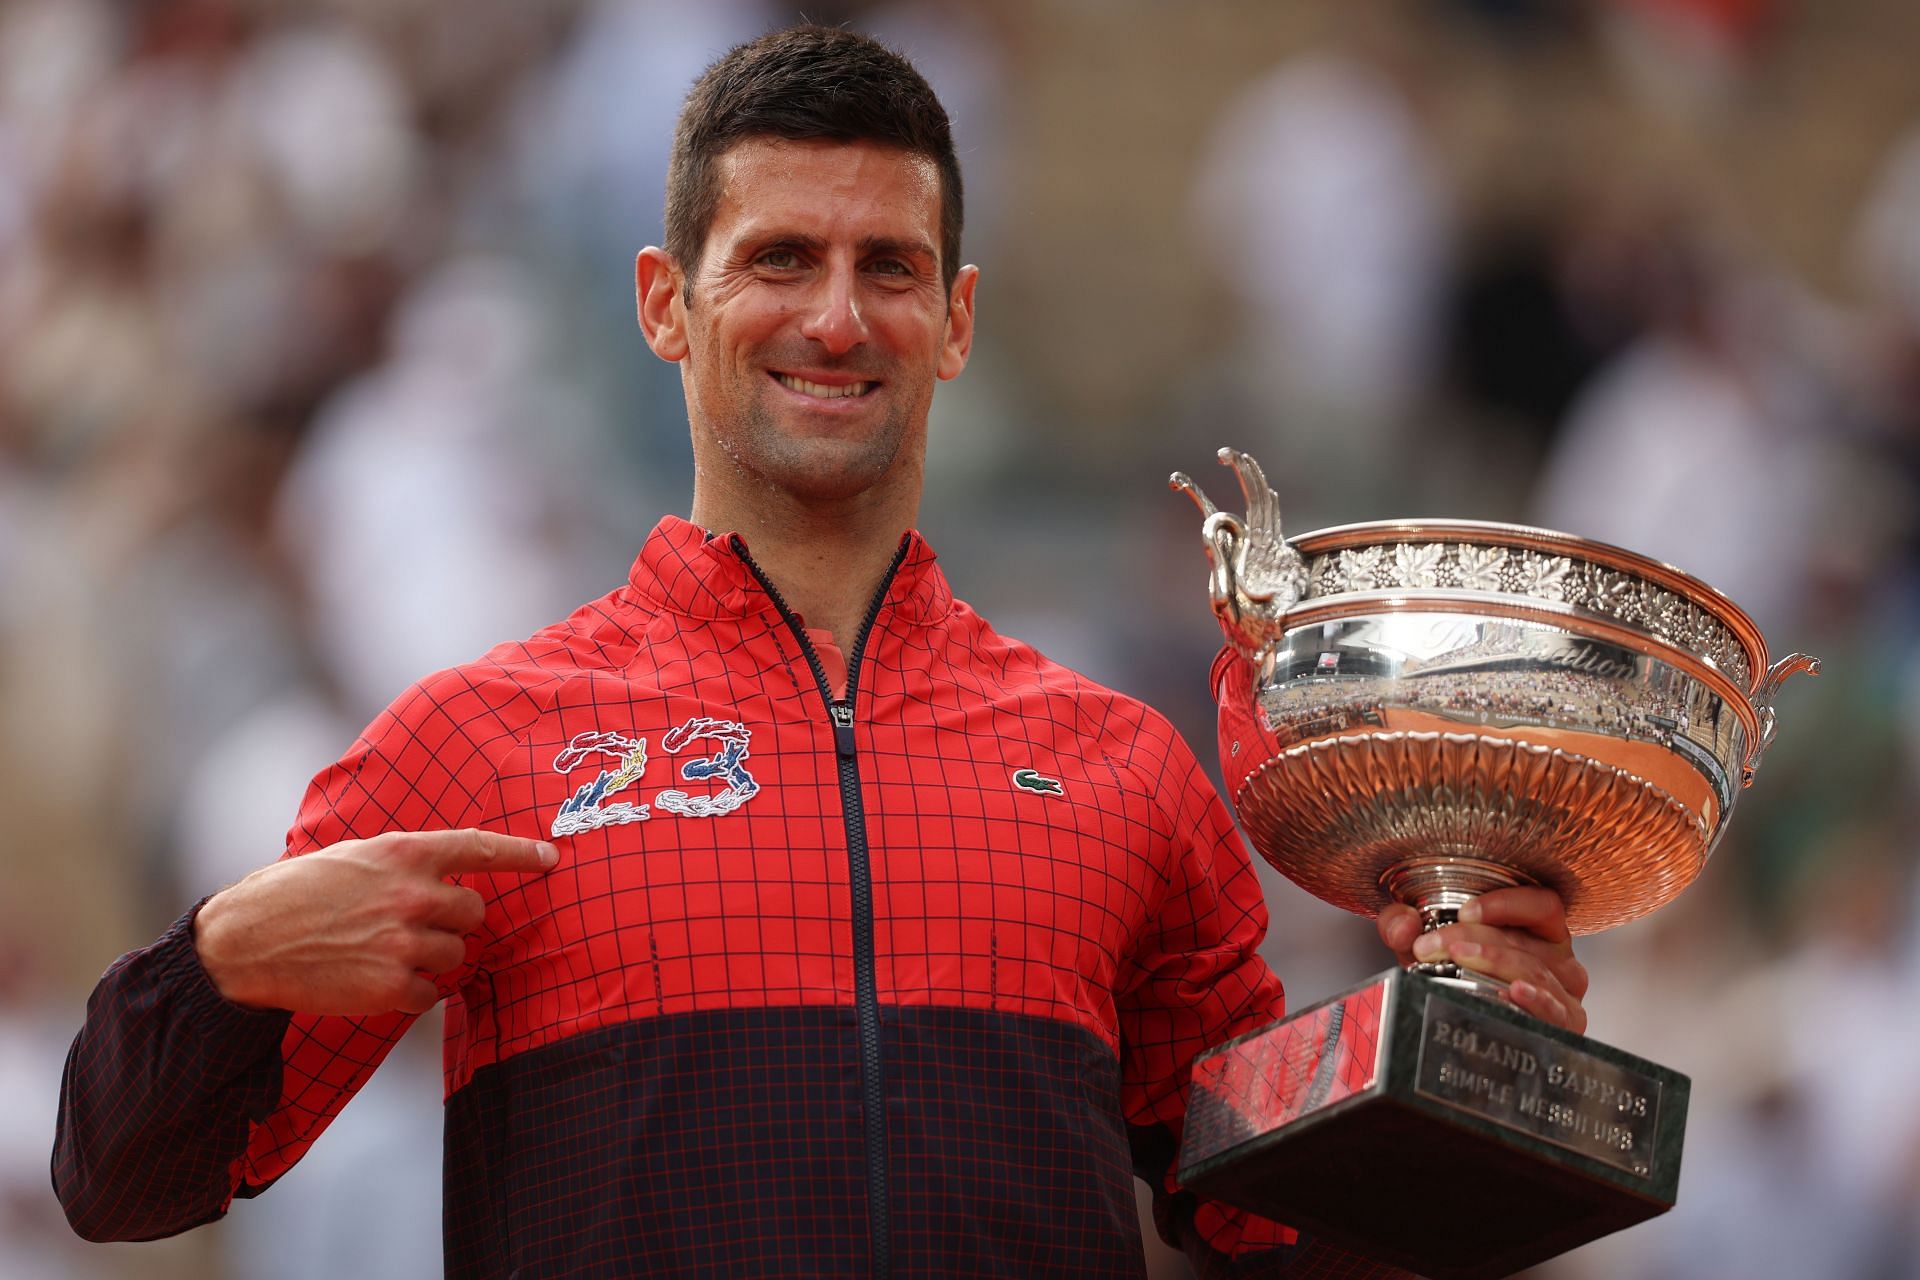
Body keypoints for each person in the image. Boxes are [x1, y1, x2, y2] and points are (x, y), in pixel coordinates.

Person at [54, 25, 1589, 1279]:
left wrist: (1474, 1064)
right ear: (667, 304)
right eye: (779, 258)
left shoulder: (1124, 771)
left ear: (960, 318)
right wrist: (220, 966)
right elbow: (117, 1181)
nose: (837, 319)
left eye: (890, 267)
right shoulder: (482, 745)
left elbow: (1292, 1237)